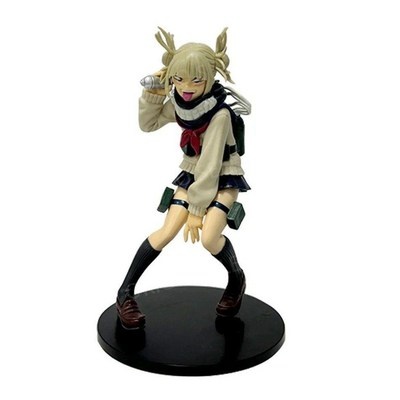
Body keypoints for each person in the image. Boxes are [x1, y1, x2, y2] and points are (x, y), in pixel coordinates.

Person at [116, 27, 251, 329]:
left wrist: (197, 209)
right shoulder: (182, 104)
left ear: (210, 77)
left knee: (209, 238)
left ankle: (236, 278)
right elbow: (148, 124)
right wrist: (153, 95)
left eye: (195, 80)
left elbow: (212, 164)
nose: (186, 87)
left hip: (222, 177)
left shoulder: (219, 115)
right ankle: (124, 293)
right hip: (192, 174)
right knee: (166, 232)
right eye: (178, 78)